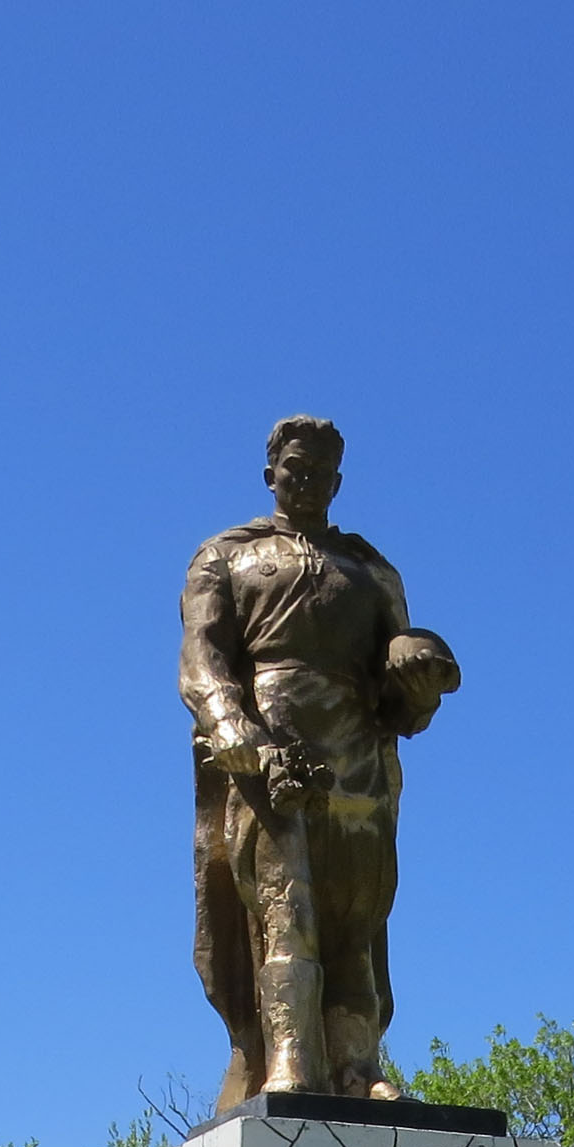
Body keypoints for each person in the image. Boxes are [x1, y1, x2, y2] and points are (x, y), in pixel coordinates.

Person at [180, 416, 460, 1111]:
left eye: (320, 472)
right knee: (288, 908)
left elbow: (403, 691)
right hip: (271, 747)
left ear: (338, 482)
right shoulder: (226, 556)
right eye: (293, 468)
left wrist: (418, 688)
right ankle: (289, 1063)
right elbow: (202, 659)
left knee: (357, 920)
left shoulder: (369, 569)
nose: (305, 481)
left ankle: (359, 1066)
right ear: (271, 473)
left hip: (357, 756)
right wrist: (232, 725)